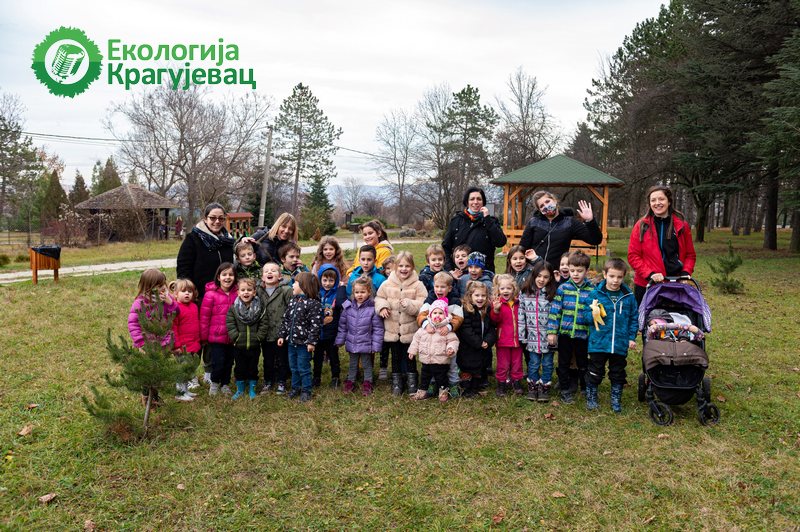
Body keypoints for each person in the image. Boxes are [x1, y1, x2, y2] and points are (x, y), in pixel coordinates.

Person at [582, 258, 639, 413]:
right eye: (612, 276)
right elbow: (585, 316)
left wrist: (631, 337)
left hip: (619, 343)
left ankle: (616, 398)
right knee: (595, 370)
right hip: (599, 341)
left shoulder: (628, 297)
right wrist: (592, 314)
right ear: (605, 274)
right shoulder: (596, 294)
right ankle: (592, 396)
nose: (615, 280)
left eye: (619, 277)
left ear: (624, 276)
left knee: (618, 372)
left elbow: (634, 318)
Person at [628, 185, 697, 304]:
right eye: (653, 200)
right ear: (649, 204)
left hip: (675, 284)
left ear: (669, 201)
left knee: (674, 321)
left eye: (661, 199)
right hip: (647, 285)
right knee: (647, 320)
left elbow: (690, 255)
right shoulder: (641, 226)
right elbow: (633, 256)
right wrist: (650, 274)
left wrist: (685, 273)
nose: (657, 203)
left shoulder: (681, 226)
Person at [375, 250, 427, 396]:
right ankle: (396, 381)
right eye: (401, 266)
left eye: (407, 266)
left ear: (412, 267)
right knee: (396, 356)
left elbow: (423, 304)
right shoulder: (387, 284)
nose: (404, 269)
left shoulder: (418, 285)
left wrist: (410, 304)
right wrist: (382, 307)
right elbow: (379, 298)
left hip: (410, 330)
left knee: (410, 355)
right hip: (392, 329)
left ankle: (412, 380)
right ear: (396, 267)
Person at [546, 251, 594, 404]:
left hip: (583, 334)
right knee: (563, 362)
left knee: (583, 363)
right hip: (565, 333)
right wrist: (552, 332)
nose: (575, 274)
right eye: (572, 270)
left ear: (586, 271)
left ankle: (586, 387)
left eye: (579, 271)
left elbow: (596, 313)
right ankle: (565, 389)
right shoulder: (563, 289)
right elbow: (555, 311)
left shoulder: (592, 291)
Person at [128, 268, 179, 405]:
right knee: (148, 371)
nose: (162, 288)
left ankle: (155, 396)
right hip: (147, 344)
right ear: (148, 287)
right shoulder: (140, 303)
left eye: (163, 285)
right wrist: (141, 342)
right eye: (158, 286)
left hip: (162, 342)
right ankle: (146, 397)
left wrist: (170, 302)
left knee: (158, 371)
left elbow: (175, 313)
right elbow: (133, 323)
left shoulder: (164, 299)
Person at [518, 191, 602, 268]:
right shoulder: (534, 222)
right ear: (539, 210)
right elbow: (523, 247)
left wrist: (590, 221)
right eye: (542, 206)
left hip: (557, 272)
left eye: (547, 201)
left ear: (554, 200)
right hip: (535, 270)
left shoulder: (570, 222)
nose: (546, 206)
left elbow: (595, 240)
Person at [176, 203, 235, 304]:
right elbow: (183, 268)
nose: (217, 221)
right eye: (212, 218)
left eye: (221, 218)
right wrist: (190, 291)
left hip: (225, 296)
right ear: (205, 219)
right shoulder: (193, 239)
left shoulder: (228, 241)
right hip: (200, 297)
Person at [277, 272, 322, 403]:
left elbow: (316, 325)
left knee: (303, 368)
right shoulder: (293, 301)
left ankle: (306, 390)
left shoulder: (314, 304)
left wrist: (311, 342)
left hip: (304, 344)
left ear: (304, 285)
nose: (292, 285)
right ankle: (295, 388)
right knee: (294, 367)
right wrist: (282, 335)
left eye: (295, 283)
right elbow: (286, 320)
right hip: (291, 342)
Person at [335, 275, 384, 396]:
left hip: (366, 343)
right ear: (353, 293)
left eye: (363, 292)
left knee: (367, 364)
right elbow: (343, 326)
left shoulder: (373, 309)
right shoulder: (348, 308)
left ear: (369, 292)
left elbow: (378, 329)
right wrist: (340, 340)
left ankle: (368, 382)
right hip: (352, 342)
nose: (359, 295)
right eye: (357, 292)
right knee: (352, 364)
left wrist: (376, 345)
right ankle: (350, 381)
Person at [442, 187, 507, 274]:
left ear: (483, 202)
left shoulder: (491, 221)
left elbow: (500, 242)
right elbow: (446, 247)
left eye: (479, 199)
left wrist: (487, 219)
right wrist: (450, 269)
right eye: (472, 199)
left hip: (484, 274)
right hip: (460, 274)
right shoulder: (457, 220)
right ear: (467, 202)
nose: (475, 202)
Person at [518, 261, 557, 402]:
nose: (542, 280)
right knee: (533, 363)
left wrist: (554, 333)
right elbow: (521, 314)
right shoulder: (525, 292)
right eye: (539, 276)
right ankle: (533, 386)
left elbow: (555, 315)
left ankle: (544, 387)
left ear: (550, 278)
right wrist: (522, 333)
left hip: (548, 337)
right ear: (534, 275)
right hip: (532, 337)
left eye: (546, 277)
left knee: (547, 363)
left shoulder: (552, 294)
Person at [407, 299, 460, 403]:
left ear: (445, 315)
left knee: (441, 377)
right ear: (430, 315)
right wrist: (412, 351)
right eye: (435, 313)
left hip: (441, 360)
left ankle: (443, 390)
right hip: (426, 359)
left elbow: (453, 341)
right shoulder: (424, 329)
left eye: (440, 313)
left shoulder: (446, 330)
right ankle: (422, 390)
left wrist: (451, 348)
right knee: (425, 376)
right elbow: (416, 339)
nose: (437, 315)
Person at [226, 278, 269, 400]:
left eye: (249, 290)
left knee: (252, 368)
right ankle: (240, 389)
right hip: (239, 345)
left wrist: (259, 337)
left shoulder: (259, 308)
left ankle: (252, 388)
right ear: (238, 292)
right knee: (239, 368)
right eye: (243, 290)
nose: (246, 292)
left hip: (254, 345)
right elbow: (230, 323)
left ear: (254, 292)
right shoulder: (234, 308)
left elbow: (264, 324)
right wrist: (236, 337)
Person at [200, 263, 238, 396]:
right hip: (216, 337)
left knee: (229, 363)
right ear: (218, 277)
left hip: (233, 336)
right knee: (218, 362)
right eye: (224, 274)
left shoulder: (237, 293)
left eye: (231, 274)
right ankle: (215, 383)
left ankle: (225, 384)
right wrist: (204, 337)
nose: (228, 277)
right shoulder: (211, 295)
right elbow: (204, 317)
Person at [456, 281, 496, 398]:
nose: (480, 298)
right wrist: (478, 342)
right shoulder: (467, 310)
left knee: (480, 365)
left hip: (483, 346)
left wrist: (488, 341)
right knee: (468, 367)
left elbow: (491, 328)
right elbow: (466, 330)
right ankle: (466, 388)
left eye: (483, 296)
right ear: (470, 296)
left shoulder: (487, 310)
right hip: (468, 347)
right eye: (477, 295)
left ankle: (476, 385)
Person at [258, 262, 293, 395]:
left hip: (281, 332)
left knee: (282, 358)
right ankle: (268, 381)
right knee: (268, 359)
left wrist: (287, 330)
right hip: (265, 332)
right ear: (262, 277)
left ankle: (282, 381)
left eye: (273, 271)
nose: (270, 273)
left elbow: (291, 310)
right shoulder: (259, 291)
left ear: (280, 276)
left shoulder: (286, 290)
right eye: (266, 271)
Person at [490, 274, 524, 396]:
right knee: (503, 363)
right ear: (498, 290)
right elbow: (494, 320)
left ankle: (516, 381)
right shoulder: (497, 303)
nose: (506, 291)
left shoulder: (518, 303)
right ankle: (501, 383)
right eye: (503, 288)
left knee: (517, 362)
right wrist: (496, 310)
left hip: (517, 340)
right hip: (503, 340)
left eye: (508, 288)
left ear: (513, 289)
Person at [315, 265, 346, 388]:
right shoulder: (316, 293)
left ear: (336, 281)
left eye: (331, 280)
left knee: (333, 356)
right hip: (317, 332)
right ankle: (316, 377)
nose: (328, 283)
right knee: (317, 357)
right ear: (320, 280)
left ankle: (335, 377)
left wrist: (342, 288)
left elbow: (342, 304)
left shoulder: (337, 293)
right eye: (325, 280)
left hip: (332, 332)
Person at [169, 278, 201, 396]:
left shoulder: (194, 306)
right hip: (181, 346)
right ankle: (180, 392)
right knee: (182, 369)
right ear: (176, 294)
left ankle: (186, 390)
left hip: (192, 344)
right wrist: (176, 346)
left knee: (188, 368)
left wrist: (198, 341)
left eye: (190, 291)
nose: (187, 293)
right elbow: (173, 328)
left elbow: (195, 324)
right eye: (183, 291)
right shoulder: (176, 308)